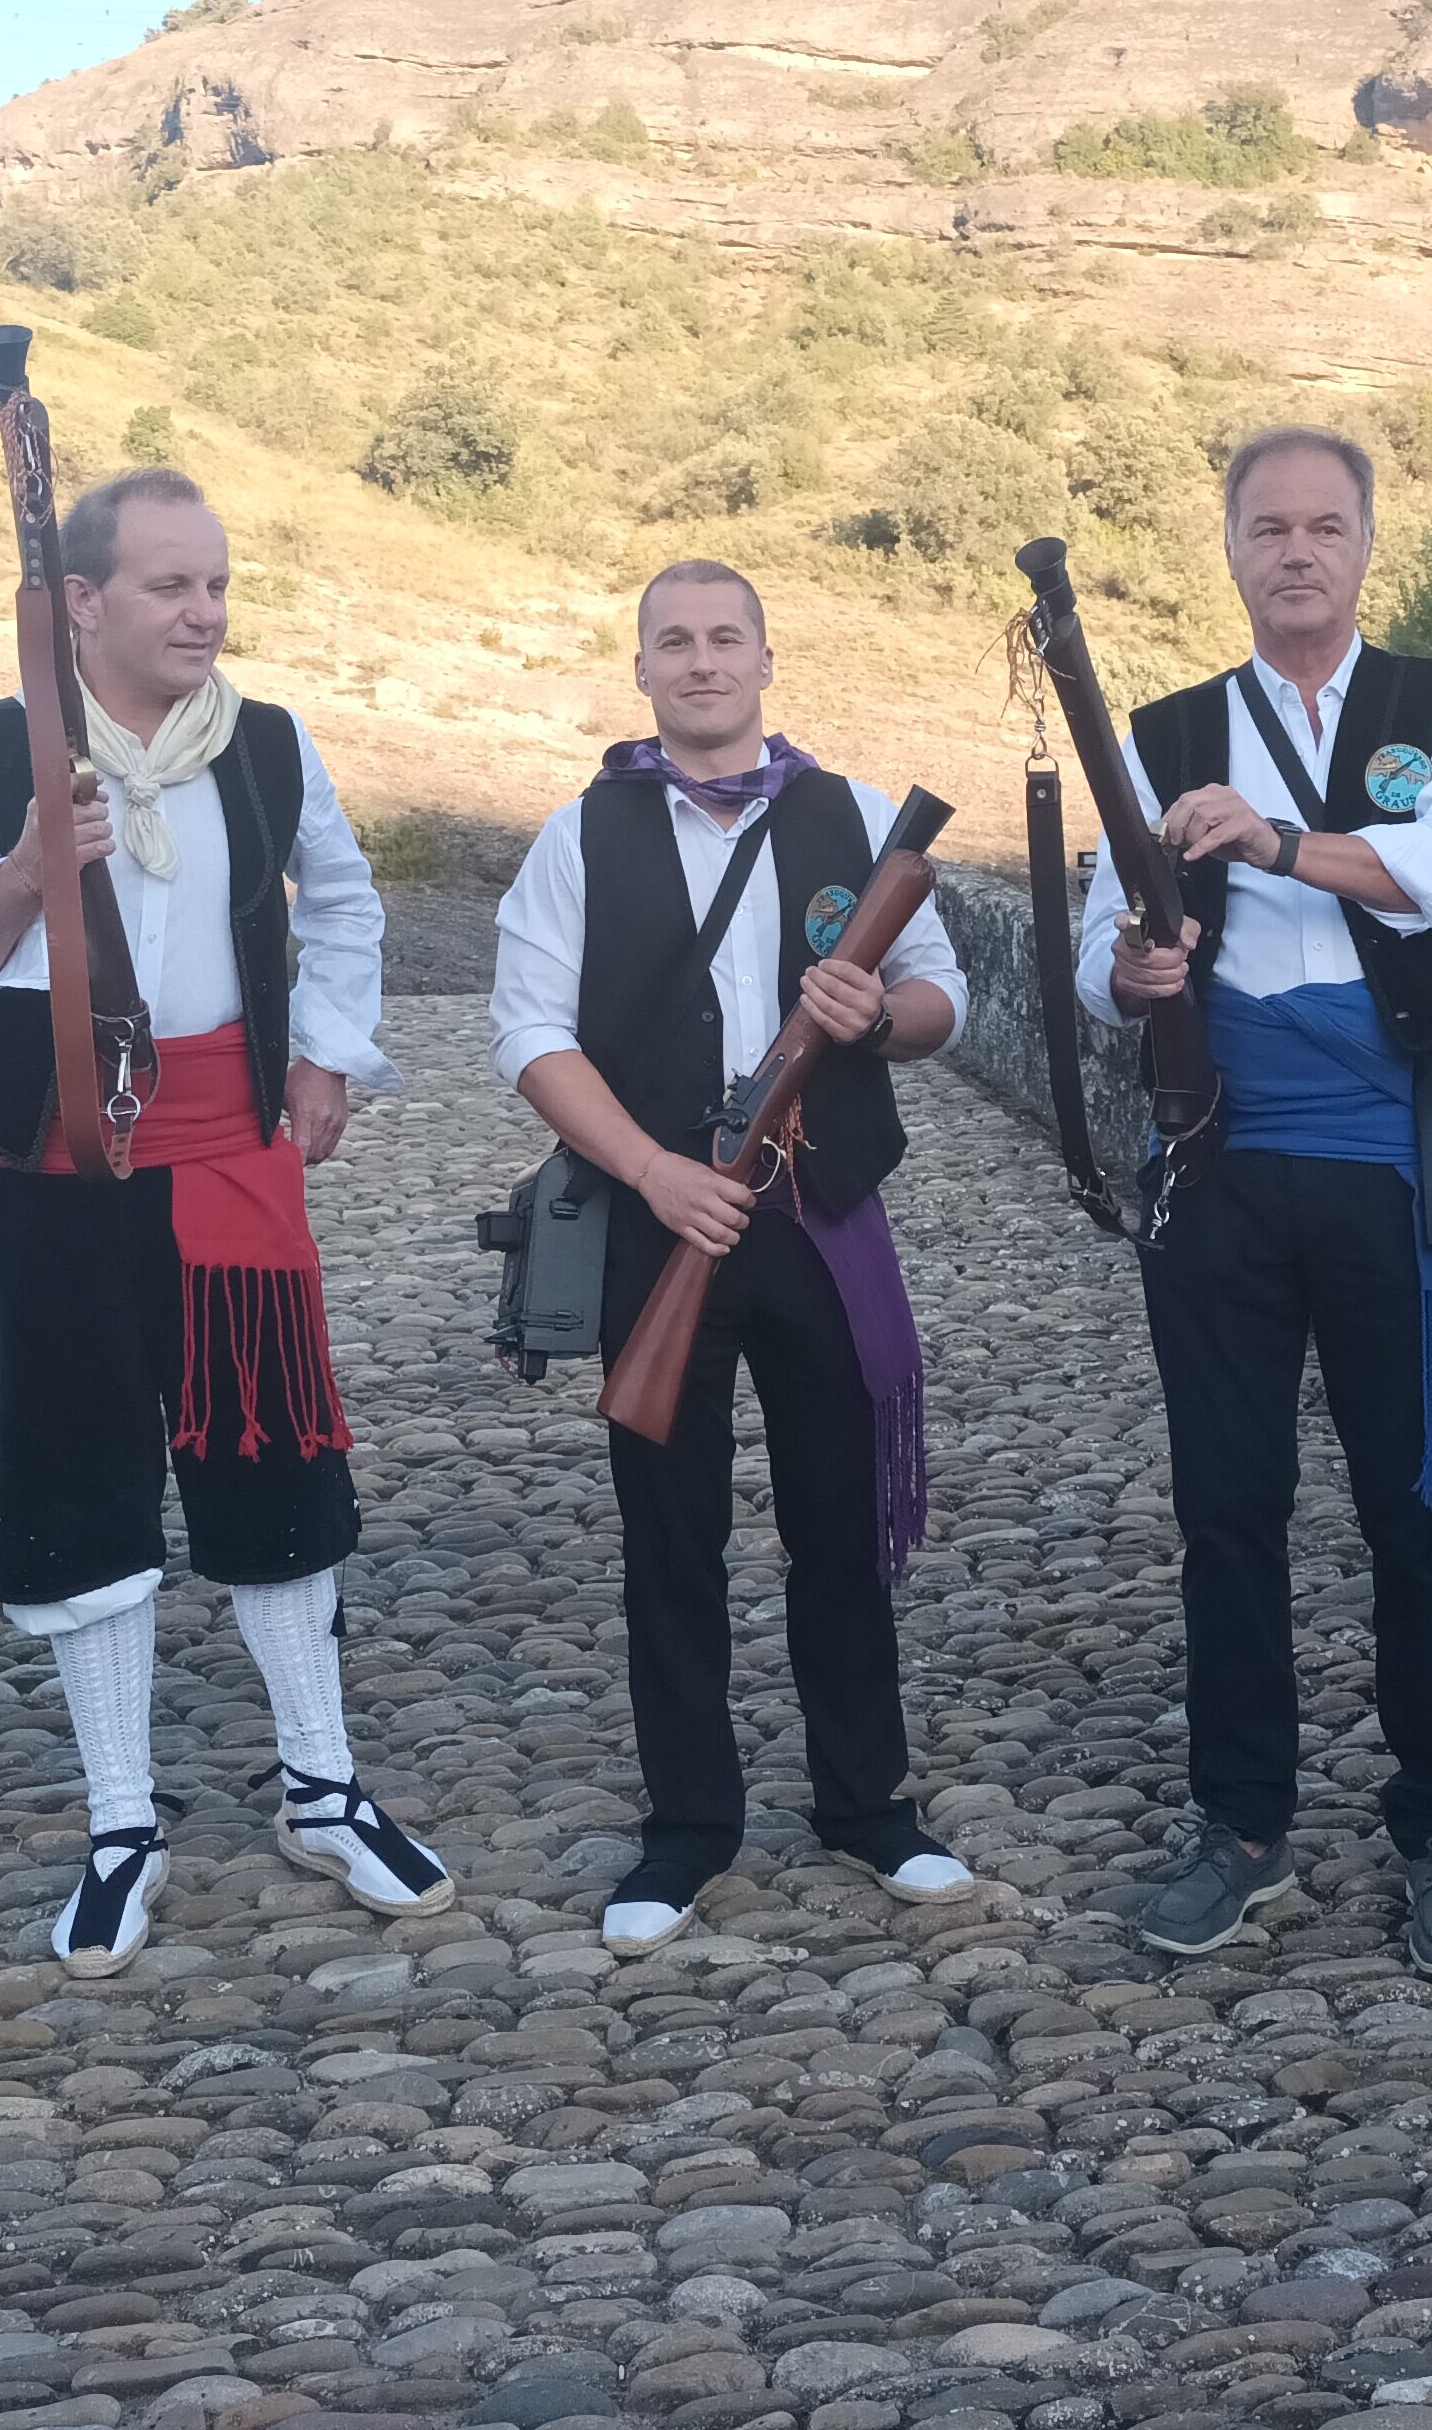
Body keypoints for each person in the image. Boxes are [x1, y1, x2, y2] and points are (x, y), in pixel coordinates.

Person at [0, 466, 447, 1974]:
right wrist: (16, 880)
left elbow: (341, 904)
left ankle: (322, 1784)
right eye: (169, 585)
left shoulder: (263, 745)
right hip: (59, 1179)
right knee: (81, 1475)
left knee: (273, 1457)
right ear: (79, 602)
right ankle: (121, 1816)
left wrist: (327, 1052)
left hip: (230, 1160)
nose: (204, 611)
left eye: (216, 584)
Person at [1076, 428, 1432, 1977]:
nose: (1298, 552)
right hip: (1223, 1156)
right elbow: (1095, 953)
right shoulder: (1162, 727)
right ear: (1230, 549)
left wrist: (1270, 841)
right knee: (1227, 1506)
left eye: (1326, 525)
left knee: (1422, 1511)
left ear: (1365, 544)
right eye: (1269, 527)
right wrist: (1134, 972)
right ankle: (1241, 1824)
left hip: (1394, 1152)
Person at [490, 559, 976, 1959]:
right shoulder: (583, 834)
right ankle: (688, 1826)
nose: (701, 662)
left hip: (820, 1213)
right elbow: (529, 1032)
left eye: (725, 639)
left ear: (767, 661)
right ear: (642, 670)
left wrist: (877, 1016)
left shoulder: (857, 817)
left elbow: (946, 998)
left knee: (838, 1522)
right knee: (669, 1539)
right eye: (673, 642)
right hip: (662, 1220)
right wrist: (653, 1172)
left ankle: (866, 1804)